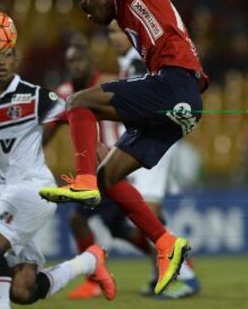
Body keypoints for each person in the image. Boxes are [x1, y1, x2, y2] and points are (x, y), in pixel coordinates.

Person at [39, 0, 209, 295]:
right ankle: (168, 245)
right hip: (183, 103)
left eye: (87, 6)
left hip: (174, 83)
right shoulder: (130, 22)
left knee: (78, 101)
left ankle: (82, 180)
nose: (88, 15)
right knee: (109, 177)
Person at [0, 19, 116, 309]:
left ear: (16, 58)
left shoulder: (34, 96)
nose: (2, 62)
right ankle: (89, 261)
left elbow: (74, 111)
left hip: (31, 189)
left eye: (8, 54)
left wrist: (96, 144)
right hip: (6, 193)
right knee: (22, 291)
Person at [46, 42, 199, 299]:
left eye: (80, 60)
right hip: (105, 165)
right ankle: (173, 256)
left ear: (91, 62)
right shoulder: (65, 91)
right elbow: (49, 128)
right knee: (120, 228)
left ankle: (101, 278)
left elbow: (134, 111)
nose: (76, 66)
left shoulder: (109, 82)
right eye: (71, 62)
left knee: (81, 218)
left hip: (119, 159)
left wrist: (117, 151)